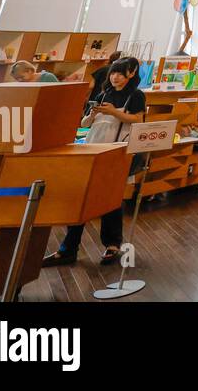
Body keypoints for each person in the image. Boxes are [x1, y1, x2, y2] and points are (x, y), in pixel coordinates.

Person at [43, 59, 145, 267]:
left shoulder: (136, 95)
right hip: (92, 148)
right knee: (82, 197)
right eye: (113, 73)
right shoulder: (103, 93)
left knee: (111, 199)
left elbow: (138, 120)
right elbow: (84, 123)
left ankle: (112, 244)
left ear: (132, 73)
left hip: (116, 152)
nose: (114, 77)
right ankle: (68, 248)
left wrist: (113, 112)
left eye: (119, 73)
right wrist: (92, 114)